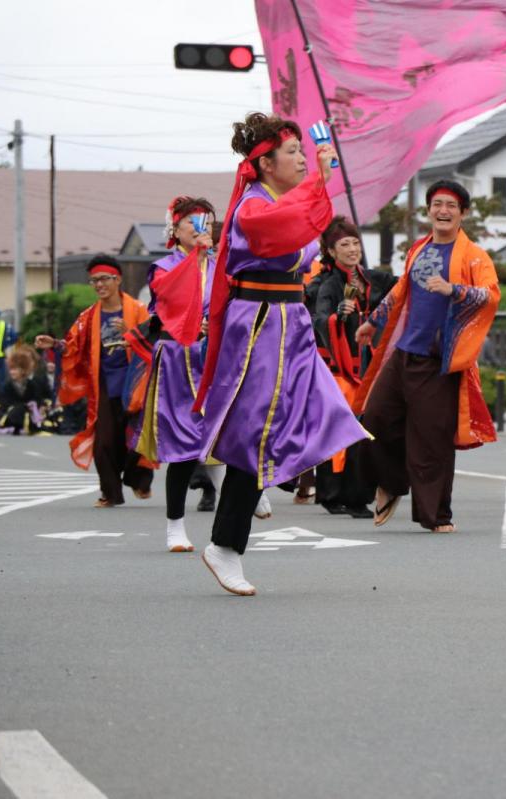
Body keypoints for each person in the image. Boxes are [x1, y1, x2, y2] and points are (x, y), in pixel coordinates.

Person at [193, 112, 368, 595]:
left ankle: (277, 479)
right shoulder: (253, 205)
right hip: (261, 322)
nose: (299, 158)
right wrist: (319, 181)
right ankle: (225, 544)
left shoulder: (279, 200)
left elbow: (306, 230)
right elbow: (286, 228)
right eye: (291, 152)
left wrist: (316, 186)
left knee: (315, 413)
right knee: (260, 432)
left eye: (298, 150)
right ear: (265, 163)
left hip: (290, 320)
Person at [354, 180, 499, 533]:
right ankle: (391, 482)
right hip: (404, 352)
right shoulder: (418, 248)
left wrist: (455, 290)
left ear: (463, 213)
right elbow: (402, 288)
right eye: (437, 204)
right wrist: (374, 322)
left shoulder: (474, 256)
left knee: (431, 439)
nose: (443, 211)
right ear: (429, 210)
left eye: (451, 205)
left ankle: (437, 516)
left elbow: (491, 295)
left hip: (440, 360)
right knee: (373, 418)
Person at [130, 195, 218, 553]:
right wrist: (197, 256)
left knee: (228, 431)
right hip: (178, 359)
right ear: (175, 229)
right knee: (183, 445)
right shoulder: (163, 267)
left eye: (207, 224)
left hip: (214, 356)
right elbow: (169, 300)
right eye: (193, 224)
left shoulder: (221, 266)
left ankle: (244, 494)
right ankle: (175, 525)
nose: (202, 230)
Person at [35, 255, 155, 507]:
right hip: (103, 385)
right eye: (94, 281)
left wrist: (131, 334)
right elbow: (73, 346)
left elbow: (155, 342)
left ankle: (139, 480)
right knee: (104, 442)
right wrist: (55, 344)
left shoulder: (138, 310)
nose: (99, 285)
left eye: (104, 279)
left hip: (135, 385)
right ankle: (110, 493)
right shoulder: (89, 317)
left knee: (137, 438)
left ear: (117, 280)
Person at [311, 216, 396, 518]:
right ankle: (336, 495)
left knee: (366, 430)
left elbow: (402, 294)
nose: (352, 249)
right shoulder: (328, 285)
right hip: (340, 368)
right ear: (331, 252)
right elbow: (318, 320)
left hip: (371, 367)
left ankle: (358, 493)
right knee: (339, 432)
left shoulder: (376, 279)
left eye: (355, 243)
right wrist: (338, 315)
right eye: (344, 244)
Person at [0, 350, 46, 434]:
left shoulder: (31, 384)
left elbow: (37, 399)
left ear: (23, 370)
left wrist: (37, 406)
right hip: (12, 414)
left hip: (28, 414)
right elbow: (4, 403)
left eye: (15, 369)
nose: (12, 372)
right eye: (11, 369)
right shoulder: (7, 385)